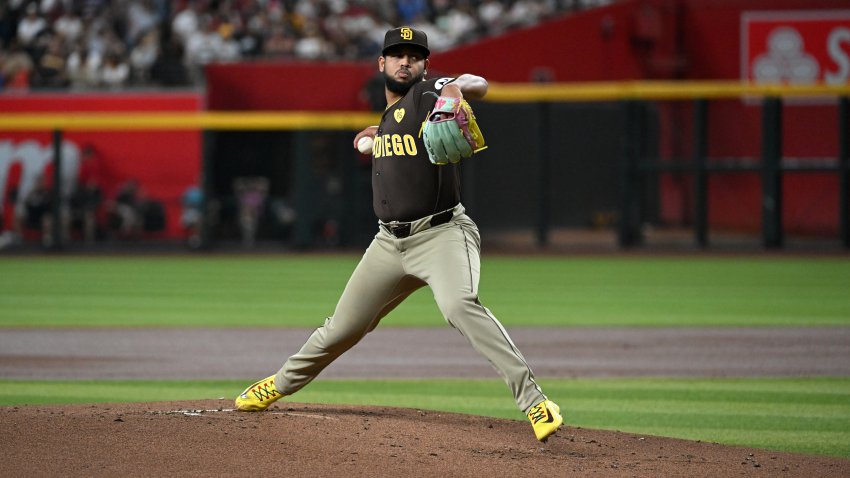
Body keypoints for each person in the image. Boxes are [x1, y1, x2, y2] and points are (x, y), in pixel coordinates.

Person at [234, 26, 563, 442]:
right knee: (341, 329)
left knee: (459, 305)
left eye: (414, 55)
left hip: (441, 233)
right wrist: (375, 134)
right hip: (388, 243)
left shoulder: (428, 94)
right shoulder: (390, 115)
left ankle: (535, 401)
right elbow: (396, 137)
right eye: (396, 54)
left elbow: (475, 83)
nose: (405, 61)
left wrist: (455, 92)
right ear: (382, 63)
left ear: (425, 64)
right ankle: (278, 384)